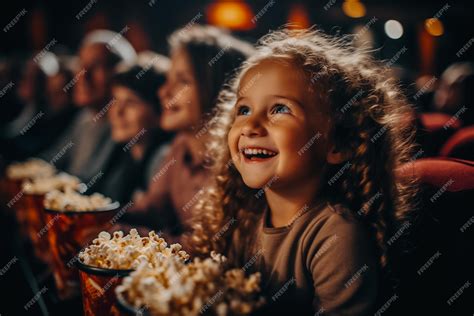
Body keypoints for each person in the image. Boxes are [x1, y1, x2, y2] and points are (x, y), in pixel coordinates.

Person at [188, 28, 417, 315]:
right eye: (243, 110)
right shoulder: (243, 216)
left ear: (338, 143)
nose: (250, 126)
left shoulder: (335, 237)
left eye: (280, 109)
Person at [129, 25, 254, 240]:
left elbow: (213, 248)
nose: (163, 91)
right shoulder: (181, 146)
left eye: (183, 81)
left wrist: (135, 237)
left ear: (220, 92)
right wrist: (97, 223)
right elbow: (149, 211)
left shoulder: (239, 164)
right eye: (168, 79)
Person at [100, 55, 172, 204]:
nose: (117, 112)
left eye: (131, 103)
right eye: (115, 100)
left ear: (159, 112)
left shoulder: (163, 159)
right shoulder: (123, 152)